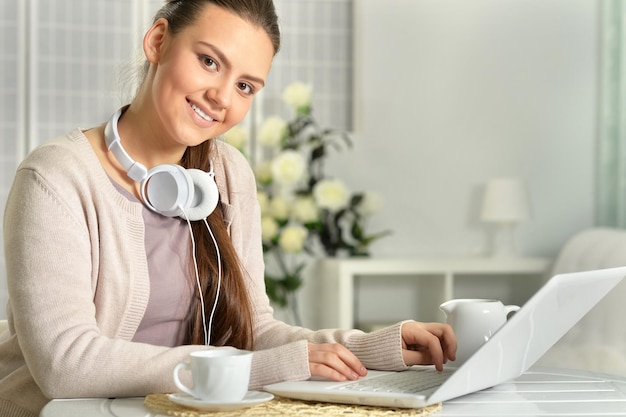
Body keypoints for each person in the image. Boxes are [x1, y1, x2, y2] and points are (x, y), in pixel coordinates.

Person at [0, 0, 456, 416]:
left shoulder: (228, 173)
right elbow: (65, 365)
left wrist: (373, 348)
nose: (221, 96)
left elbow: (254, 330)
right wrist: (255, 368)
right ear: (158, 42)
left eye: (245, 85)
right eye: (208, 61)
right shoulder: (55, 177)